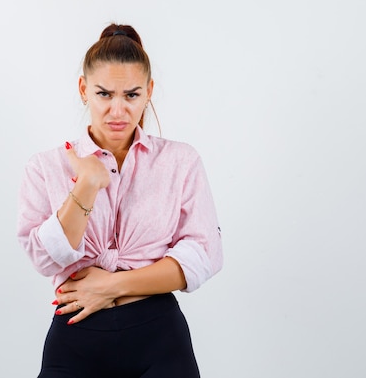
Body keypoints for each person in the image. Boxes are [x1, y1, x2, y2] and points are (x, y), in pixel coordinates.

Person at [17, 23, 223, 378]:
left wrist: (110, 286)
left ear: (149, 91)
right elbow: (44, 259)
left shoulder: (180, 161)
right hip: (76, 337)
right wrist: (86, 186)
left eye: (131, 95)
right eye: (104, 94)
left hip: (158, 336)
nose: (118, 111)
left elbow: (204, 254)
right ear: (84, 89)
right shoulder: (45, 167)